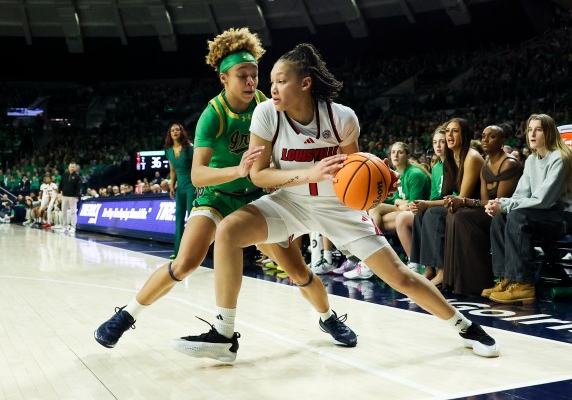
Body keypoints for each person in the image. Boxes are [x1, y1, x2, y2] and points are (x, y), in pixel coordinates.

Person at [172, 44, 499, 362]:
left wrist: (379, 183)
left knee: (398, 276)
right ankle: (225, 335)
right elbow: (258, 176)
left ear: (305, 83)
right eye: (270, 81)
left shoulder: (341, 118)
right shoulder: (266, 114)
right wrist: (309, 173)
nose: (271, 89)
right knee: (228, 231)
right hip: (289, 201)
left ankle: (466, 327)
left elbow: (356, 173)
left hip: (337, 207)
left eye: (281, 81)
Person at [94, 28, 355, 352]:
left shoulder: (268, 104)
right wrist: (238, 169)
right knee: (185, 262)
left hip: (259, 200)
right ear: (223, 79)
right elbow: (199, 175)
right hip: (218, 196)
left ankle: (328, 317)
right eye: (242, 76)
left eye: (254, 75)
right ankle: (127, 315)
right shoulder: (213, 115)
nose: (250, 82)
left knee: (299, 272)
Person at [483, 114, 572, 303]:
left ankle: (523, 284)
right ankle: (506, 278)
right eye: (530, 129)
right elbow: (520, 194)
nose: (532, 134)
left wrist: (506, 205)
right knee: (501, 217)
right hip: (540, 214)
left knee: (516, 216)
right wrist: (501, 205)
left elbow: (544, 200)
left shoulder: (560, 158)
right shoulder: (532, 160)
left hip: (562, 217)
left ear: (548, 132)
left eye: (538, 129)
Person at [442, 125, 522, 296]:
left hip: (506, 215)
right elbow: (485, 201)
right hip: (489, 210)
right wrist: (465, 203)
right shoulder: (486, 166)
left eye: (491, 137)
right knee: (455, 214)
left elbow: (499, 203)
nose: (485, 140)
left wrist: (464, 201)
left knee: (463, 217)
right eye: (484, 136)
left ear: (502, 142)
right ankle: (455, 280)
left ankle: (477, 282)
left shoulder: (509, 163)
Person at [410, 118, 484, 285]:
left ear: (464, 135)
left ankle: (443, 272)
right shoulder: (450, 158)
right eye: (448, 131)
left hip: (475, 207)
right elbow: (446, 194)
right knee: (420, 214)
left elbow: (460, 198)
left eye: (455, 131)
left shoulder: (471, 156)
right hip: (461, 204)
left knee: (433, 213)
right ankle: (428, 269)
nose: (450, 135)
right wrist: (424, 205)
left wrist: (428, 204)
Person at [395, 126, 446, 273]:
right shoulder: (436, 167)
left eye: (442, 141)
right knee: (375, 211)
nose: (437, 145)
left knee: (417, 215)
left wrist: (427, 204)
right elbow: (433, 195)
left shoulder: (415, 173)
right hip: (435, 205)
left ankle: (422, 265)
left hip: (446, 207)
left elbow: (455, 194)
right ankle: (427, 268)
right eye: (435, 142)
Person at [164, 122, 196, 260]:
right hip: (180, 188)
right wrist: (172, 186)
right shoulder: (169, 151)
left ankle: (192, 251)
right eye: (172, 130)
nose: (175, 132)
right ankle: (178, 251)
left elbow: (198, 165)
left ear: (182, 132)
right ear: (170, 134)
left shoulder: (189, 147)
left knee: (191, 218)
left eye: (177, 130)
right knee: (178, 219)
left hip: (192, 186)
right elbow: (172, 170)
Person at [59, 162, 81, 232]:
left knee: (73, 212)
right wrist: (59, 192)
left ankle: (73, 227)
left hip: (73, 197)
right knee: (63, 211)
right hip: (64, 196)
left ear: (75, 168)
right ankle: (64, 226)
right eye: (71, 167)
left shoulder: (77, 176)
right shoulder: (65, 174)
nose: (72, 168)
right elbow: (61, 184)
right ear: (68, 167)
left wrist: (76, 197)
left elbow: (78, 188)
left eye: (73, 167)